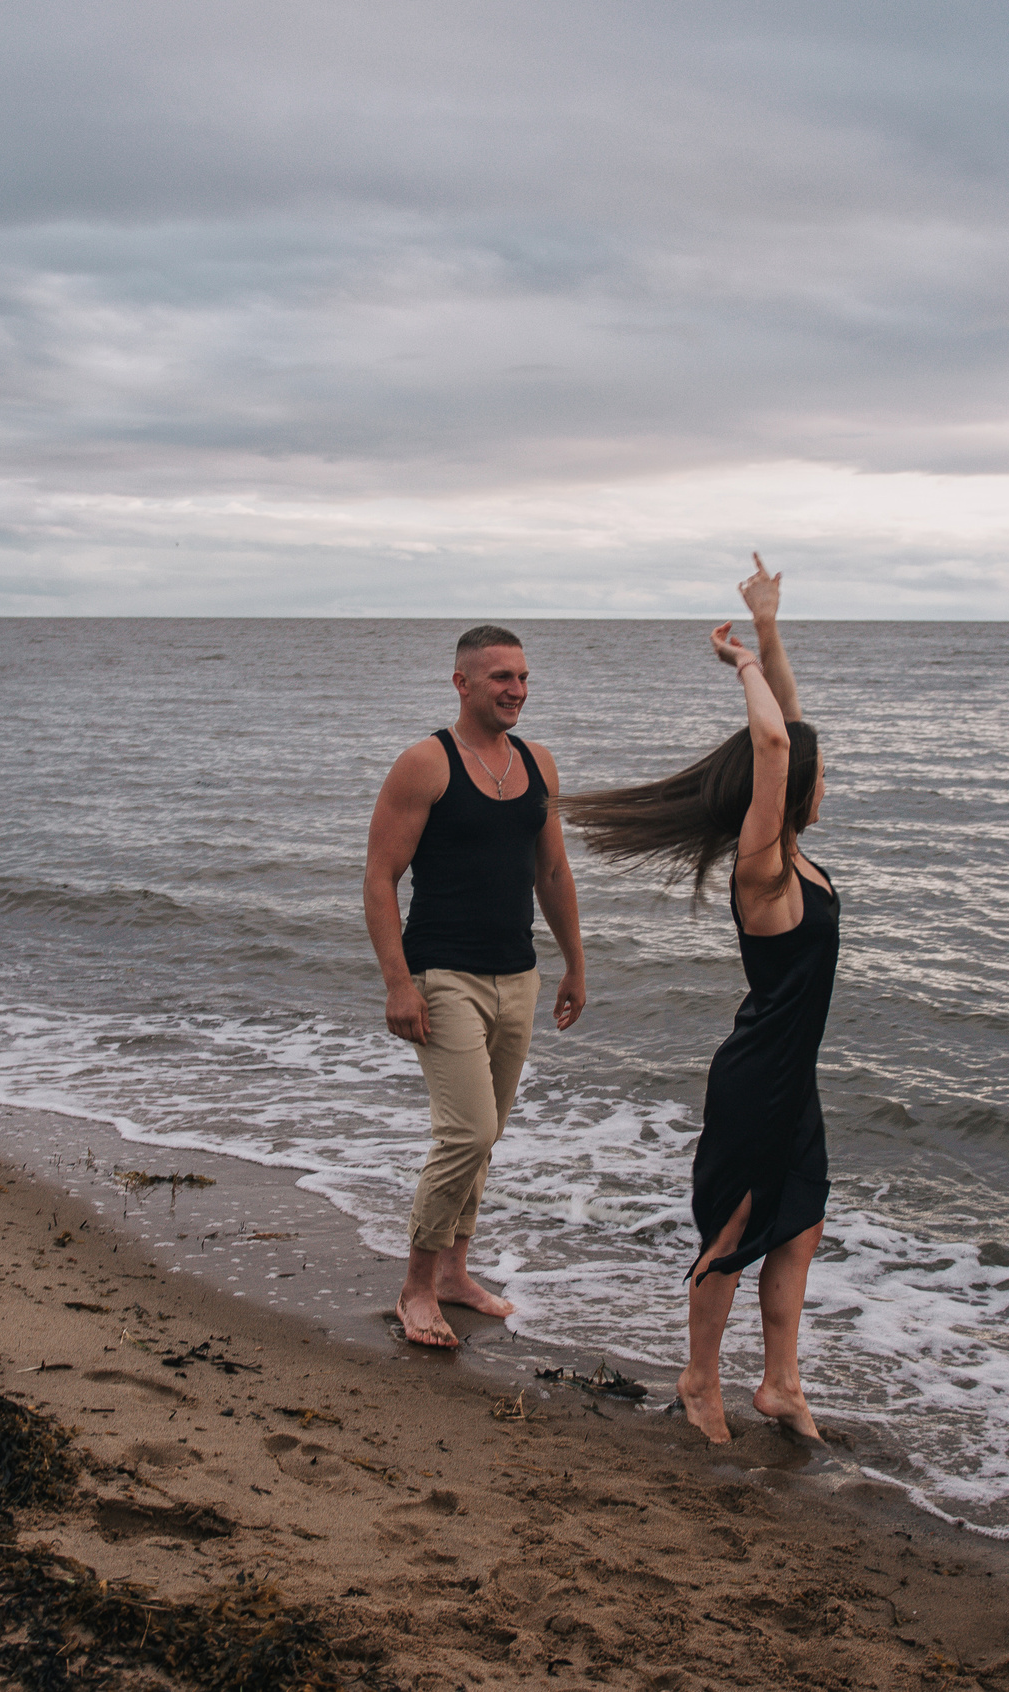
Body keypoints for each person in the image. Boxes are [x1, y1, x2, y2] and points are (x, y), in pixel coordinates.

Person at [560, 556, 834, 1443]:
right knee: (734, 1233)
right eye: (819, 774)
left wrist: (768, 627)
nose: (827, 781)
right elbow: (775, 745)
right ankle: (699, 1379)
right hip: (757, 1080)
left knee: (799, 1227)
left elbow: (788, 730)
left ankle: (781, 1384)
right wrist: (741, 664)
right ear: (789, 788)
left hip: (793, 1077)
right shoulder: (765, 872)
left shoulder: (800, 858)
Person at [365, 624, 587, 1349]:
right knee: (468, 1131)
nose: (516, 690)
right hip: (443, 974)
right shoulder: (425, 764)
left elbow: (552, 871)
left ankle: (456, 1274)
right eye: (501, 678)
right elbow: (379, 878)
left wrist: (575, 963)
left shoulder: (538, 763)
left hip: (518, 975)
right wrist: (399, 984)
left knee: (487, 1135)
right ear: (462, 683)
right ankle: (417, 1287)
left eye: (523, 677)